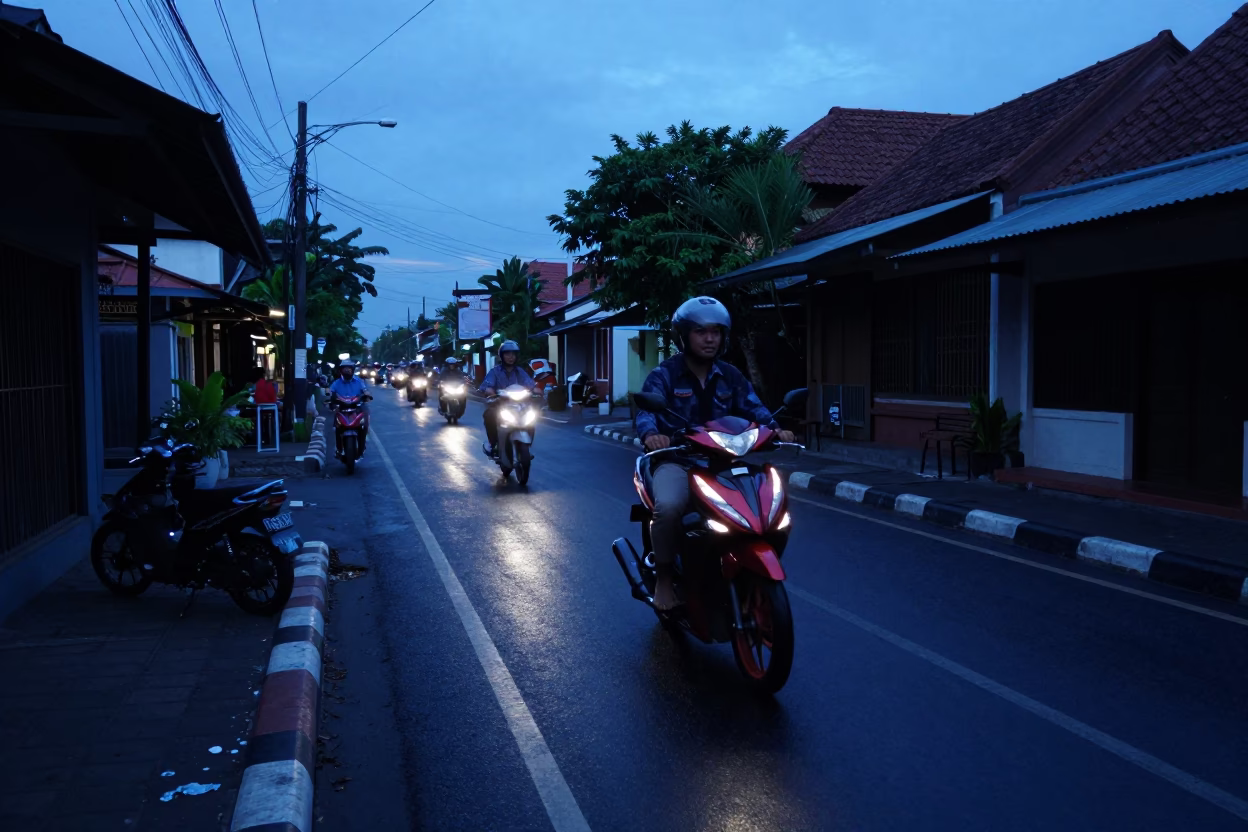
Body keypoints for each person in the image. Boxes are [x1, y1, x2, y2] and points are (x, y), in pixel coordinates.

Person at [634, 297, 795, 611]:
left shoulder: (731, 375)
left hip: (724, 462)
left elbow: (756, 409)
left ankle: (744, 564)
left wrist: (777, 429)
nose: (710, 339)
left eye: (716, 332)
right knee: (667, 508)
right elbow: (645, 412)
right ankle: (665, 581)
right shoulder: (665, 375)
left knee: (771, 508)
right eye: (700, 332)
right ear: (684, 336)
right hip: (678, 460)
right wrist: (652, 435)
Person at [480, 340, 534, 457]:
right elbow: (487, 385)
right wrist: (490, 391)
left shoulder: (520, 372)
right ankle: (492, 443)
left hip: (519, 405)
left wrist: (536, 390)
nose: (511, 357)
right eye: (507, 354)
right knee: (489, 415)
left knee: (532, 415)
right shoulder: (495, 371)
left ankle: (527, 443)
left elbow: (530, 384)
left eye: (513, 354)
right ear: (502, 356)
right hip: (500, 404)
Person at [328, 359, 371, 454]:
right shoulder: (336, 383)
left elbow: (365, 390)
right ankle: (338, 447)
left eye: (349, 369)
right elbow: (330, 391)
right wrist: (330, 397)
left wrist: (367, 395)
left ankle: (364, 438)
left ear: (352, 370)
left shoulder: (359, 381)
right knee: (336, 426)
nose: (347, 371)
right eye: (345, 369)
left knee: (365, 417)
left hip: (357, 407)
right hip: (342, 407)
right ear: (341, 370)